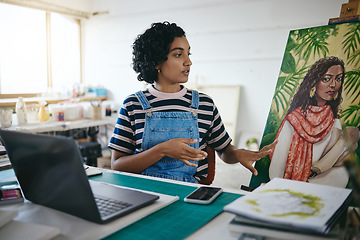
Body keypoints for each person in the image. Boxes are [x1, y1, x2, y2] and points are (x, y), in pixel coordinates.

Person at [108, 21, 275, 183]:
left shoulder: (204, 104)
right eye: (178, 54)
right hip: (144, 193)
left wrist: (237, 154)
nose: (188, 62)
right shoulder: (133, 105)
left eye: (189, 53)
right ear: (157, 62)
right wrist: (162, 150)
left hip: (189, 194)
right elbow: (117, 165)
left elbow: (225, 151)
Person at [269, 56, 351, 187]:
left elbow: (329, 163)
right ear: (314, 82)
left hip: (316, 187)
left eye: (338, 79)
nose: (333, 85)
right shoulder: (294, 120)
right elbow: (276, 169)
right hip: (285, 186)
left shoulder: (335, 123)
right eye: (326, 79)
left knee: (342, 172)